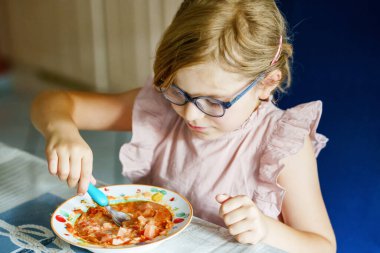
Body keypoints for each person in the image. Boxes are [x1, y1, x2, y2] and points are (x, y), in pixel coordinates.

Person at [31, 0, 336, 252]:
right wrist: (61, 129)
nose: (190, 114)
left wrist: (266, 228)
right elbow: (53, 101)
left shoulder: (281, 145)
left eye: (215, 102)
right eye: (177, 90)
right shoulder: (161, 109)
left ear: (266, 84)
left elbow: (323, 246)